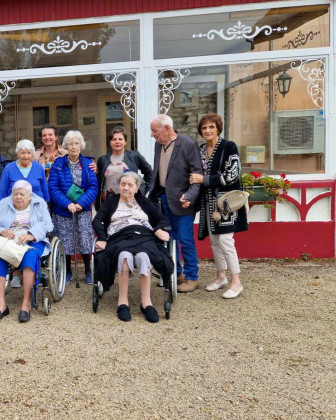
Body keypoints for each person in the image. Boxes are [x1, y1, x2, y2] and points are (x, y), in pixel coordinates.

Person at [92, 172, 173, 323]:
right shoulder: (111, 202)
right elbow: (97, 221)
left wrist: (158, 229)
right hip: (119, 236)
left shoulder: (144, 202)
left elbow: (161, 219)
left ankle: (146, 303)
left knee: (143, 256)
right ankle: (122, 302)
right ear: (119, 186)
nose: (126, 188)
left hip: (144, 236)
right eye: (123, 184)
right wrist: (102, 238)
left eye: (130, 185)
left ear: (137, 188)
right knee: (124, 257)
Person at [189, 114, 248, 299]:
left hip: (226, 203)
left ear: (218, 129)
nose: (207, 131)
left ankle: (236, 282)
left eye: (211, 127)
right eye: (204, 128)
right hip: (208, 203)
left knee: (225, 240)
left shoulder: (228, 146)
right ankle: (221, 276)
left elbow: (233, 174)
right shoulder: (200, 150)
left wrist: (205, 179)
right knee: (214, 240)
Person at [0, 180, 54, 323]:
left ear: (30, 195)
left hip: (32, 242)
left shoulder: (39, 203)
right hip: (8, 243)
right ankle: (1, 306)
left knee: (29, 259)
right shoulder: (4, 203)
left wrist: (32, 234)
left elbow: (48, 225)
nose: (18, 197)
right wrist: (2, 231)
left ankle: (26, 305)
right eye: (15, 194)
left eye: (22, 194)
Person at [148, 113, 203, 292]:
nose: (152, 135)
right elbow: (157, 171)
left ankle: (192, 277)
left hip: (183, 201)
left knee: (185, 239)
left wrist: (190, 196)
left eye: (155, 131)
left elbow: (197, 175)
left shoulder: (187, 144)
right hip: (163, 199)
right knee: (168, 239)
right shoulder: (159, 145)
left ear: (167, 128)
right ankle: (176, 273)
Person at [48, 130, 98, 285]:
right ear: (66, 147)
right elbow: (53, 187)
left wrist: (80, 204)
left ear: (81, 146)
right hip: (63, 210)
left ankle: (88, 270)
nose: (74, 146)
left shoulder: (88, 164)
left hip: (81, 210)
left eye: (77, 143)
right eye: (71, 144)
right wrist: (67, 203)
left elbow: (93, 187)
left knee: (84, 239)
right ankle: (67, 270)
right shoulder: (58, 164)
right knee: (65, 241)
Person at [93, 126, 153, 205]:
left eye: (120, 139)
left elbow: (149, 172)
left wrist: (142, 190)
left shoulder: (135, 156)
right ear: (110, 142)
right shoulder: (102, 160)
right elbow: (98, 181)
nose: (117, 142)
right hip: (108, 202)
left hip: (130, 202)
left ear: (125, 141)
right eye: (114, 139)